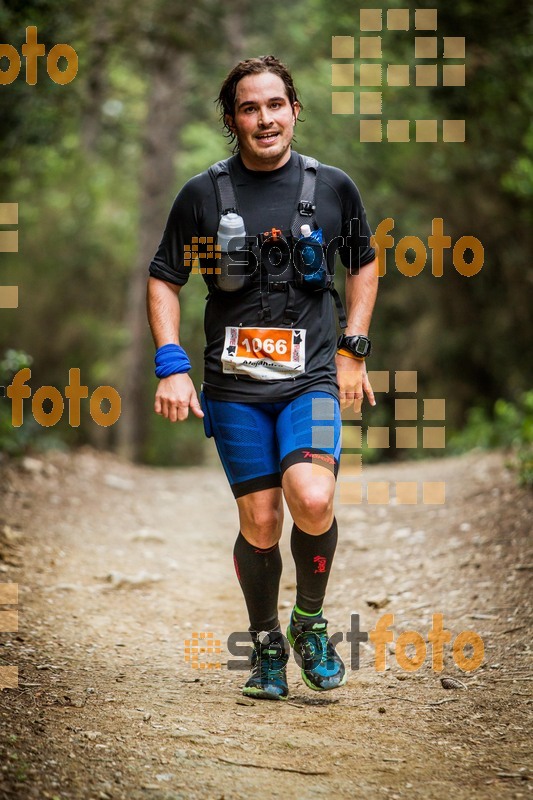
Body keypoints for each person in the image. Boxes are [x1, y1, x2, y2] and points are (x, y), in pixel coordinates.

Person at [147, 55, 378, 701]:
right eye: (249, 108)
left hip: (310, 380)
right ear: (232, 120)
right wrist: (171, 366)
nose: (264, 118)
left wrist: (353, 349)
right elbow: (164, 276)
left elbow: (362, 262)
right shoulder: (200, 194)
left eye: (274, 104)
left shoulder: (332, 187)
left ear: (294, 110)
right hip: (233, 387)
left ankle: (309, 620)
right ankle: (267, 646)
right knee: (260, 523)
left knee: (311, 497)